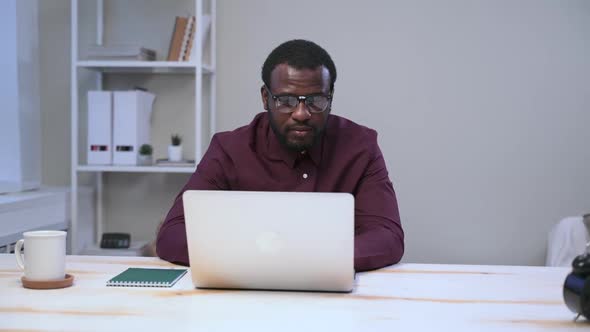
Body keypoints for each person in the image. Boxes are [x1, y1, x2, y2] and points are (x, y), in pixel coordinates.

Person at [157, 39, 404, 271]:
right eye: (285, 100)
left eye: (316, 100)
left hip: (331, 298)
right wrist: (268, 259)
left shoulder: (360, 147)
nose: (301, 113)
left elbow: (387, 237)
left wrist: (301, 259)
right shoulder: (229, 149)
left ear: (331, 98)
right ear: (266, 98)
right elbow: (173, 235)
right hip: (246, 294)